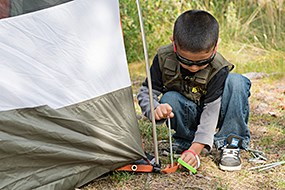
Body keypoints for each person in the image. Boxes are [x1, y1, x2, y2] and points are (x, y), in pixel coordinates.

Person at [137, 10, 251, 171]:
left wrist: (195, 150)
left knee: (237, 82)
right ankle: (186, 140)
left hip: (215, 115)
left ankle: (229, 143)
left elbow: (211, 111)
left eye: (203, 62)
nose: (194, 67)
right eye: (185, 61)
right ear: (174, 44)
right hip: (189, 114)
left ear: (216, 46)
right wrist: (153, 108)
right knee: (169, 98)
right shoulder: (163, 57)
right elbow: (146, 91)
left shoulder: (219, 67)